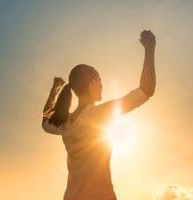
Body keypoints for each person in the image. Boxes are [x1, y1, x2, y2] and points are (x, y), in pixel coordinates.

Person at [41, 30, 156, 200]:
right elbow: (146, 90)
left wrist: (55, 89)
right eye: (99, 79)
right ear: (91, 84)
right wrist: (150, 49)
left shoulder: (63, 125)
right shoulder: (99, 114)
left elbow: (44, 121)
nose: (102, 84)